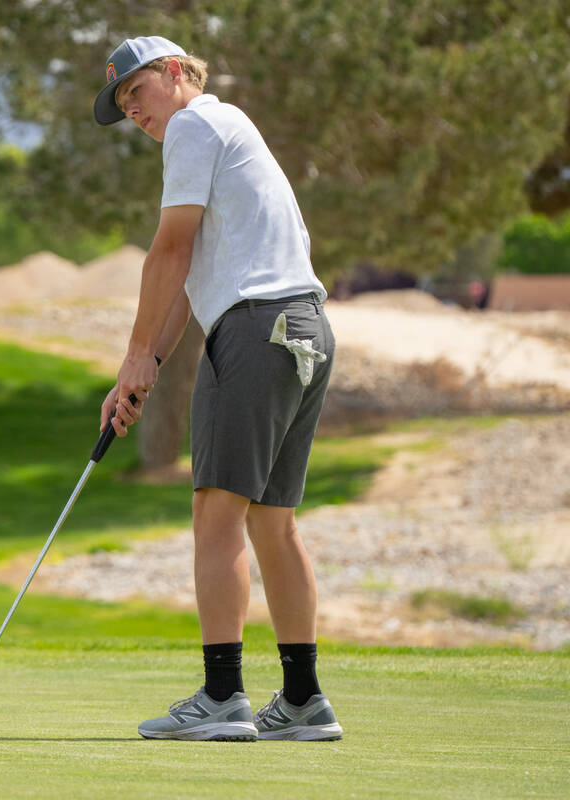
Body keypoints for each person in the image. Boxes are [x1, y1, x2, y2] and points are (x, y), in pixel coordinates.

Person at [93, 36, 342, 742]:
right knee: (271, 519)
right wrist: (148, 365)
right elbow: (186, 283)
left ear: (175, 73)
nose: (133, 111)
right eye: (122, 104)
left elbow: (167, 251)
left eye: (136, 91)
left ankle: (224, 694)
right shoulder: (227, 130)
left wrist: (135, 354)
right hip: (304, 327)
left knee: (216, 512)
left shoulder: (195, 123)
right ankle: (301, 701)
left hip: (257, 328)